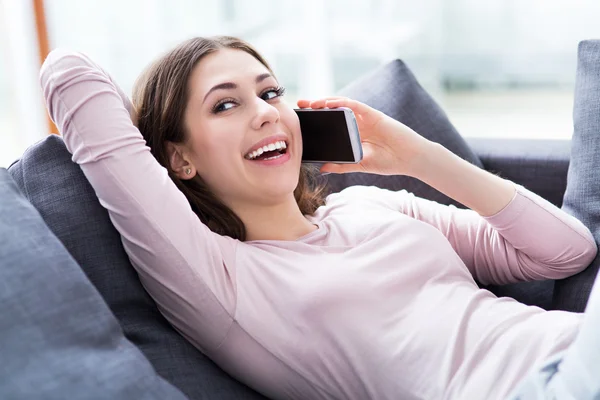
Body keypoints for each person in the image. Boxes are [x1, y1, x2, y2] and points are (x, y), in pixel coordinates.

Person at [39, 36, 599, 400]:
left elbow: (565, 251)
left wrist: (416, 157)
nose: (263, 113)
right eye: (225, 104)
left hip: (573, 346)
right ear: (178, 158)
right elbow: (70, 76)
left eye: (270, 92)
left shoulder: (370, 205)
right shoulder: (220, 281)